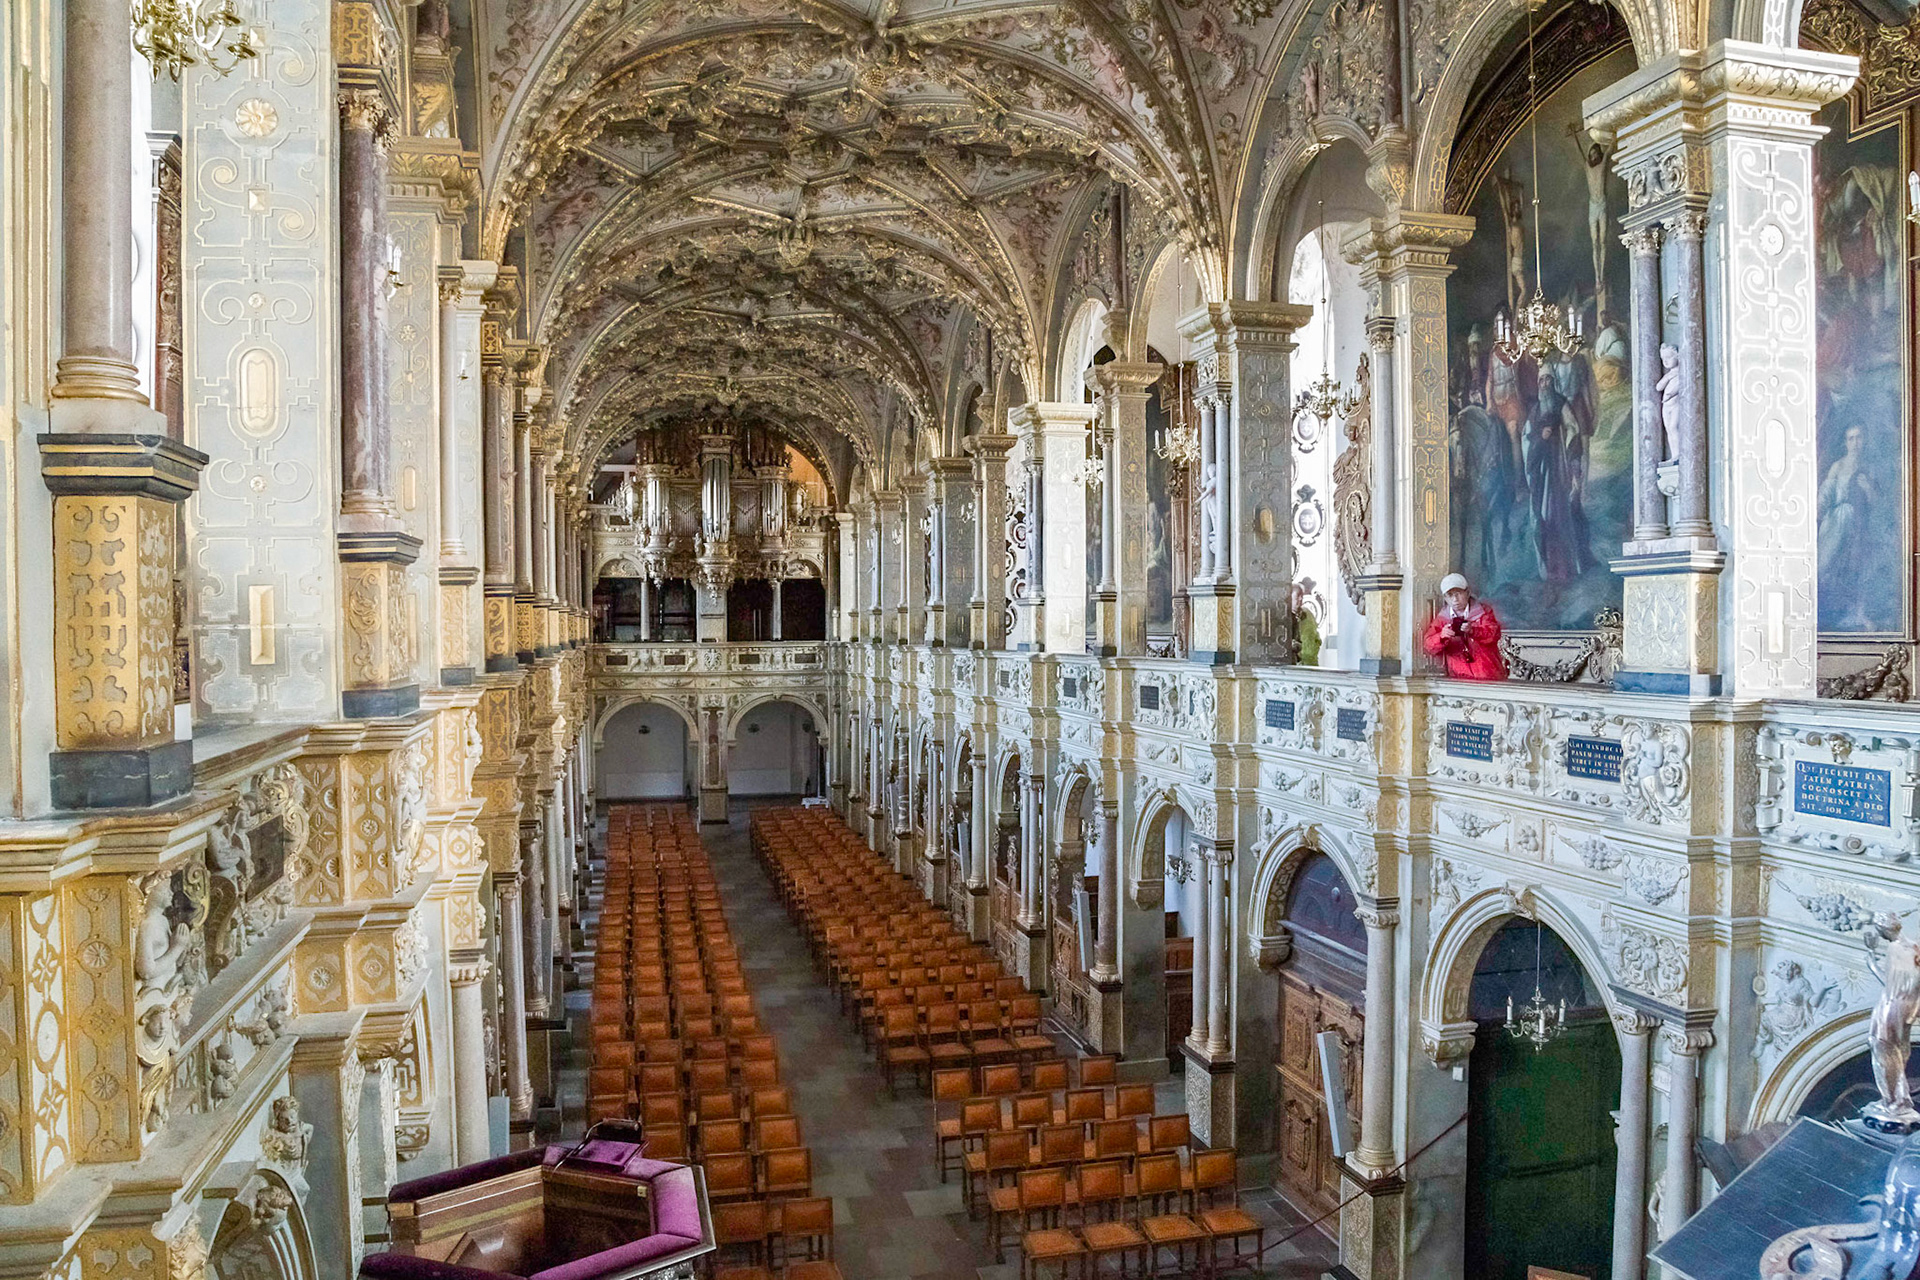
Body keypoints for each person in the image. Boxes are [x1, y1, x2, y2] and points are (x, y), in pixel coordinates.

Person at [1422, 572, 1508, 680]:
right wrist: (1441, 637)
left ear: (1467, 592)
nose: (1455, 599)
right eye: (1450, 595)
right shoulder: (1442, 619)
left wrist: (1473, 631)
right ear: (1444, 598)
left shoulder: (1483, 612)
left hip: (1488, 675)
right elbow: (1428, 645)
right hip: (1460, 678)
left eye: (1458, 593)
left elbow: (1494, 634)